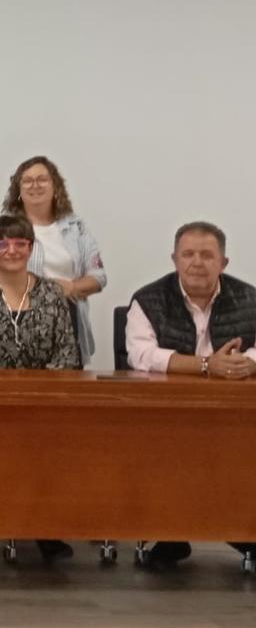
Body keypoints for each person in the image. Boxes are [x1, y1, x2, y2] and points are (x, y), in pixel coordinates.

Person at [125, 221, 256, 569]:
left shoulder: (250, 298)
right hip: (167, 414)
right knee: (171, 455)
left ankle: (243, 532)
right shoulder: (147, 300)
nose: (197, 262)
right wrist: (204, 365)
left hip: (233, 414)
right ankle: (171, 535)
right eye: (188, 254)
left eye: (207, 255)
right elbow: (140, 354)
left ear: (224, 263)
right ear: (174, 259)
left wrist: (248, 363)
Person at [0, 214, 78, 562]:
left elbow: (67, 352)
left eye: (19, 243)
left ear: (30, 248)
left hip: (43, 404)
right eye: (2, 243)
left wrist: (38, 392)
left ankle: (43, 529)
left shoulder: (52, 294)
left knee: (47, 451)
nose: (11, 250)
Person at [0, 156, 106, 367]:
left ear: (55, 185)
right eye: (27, 181)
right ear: (18, 190)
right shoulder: (6, 229)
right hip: (21, 320)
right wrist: (47, 290)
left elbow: (99, 277)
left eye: (42, 179)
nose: (35, 185)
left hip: (69, 318)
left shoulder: (76, 227)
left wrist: (72, 287)